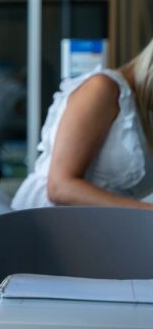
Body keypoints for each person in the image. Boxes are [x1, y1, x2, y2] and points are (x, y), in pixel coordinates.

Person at [11, 38, 153, 210]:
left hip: (97, 226)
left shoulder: (144, 110)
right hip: (48, 222)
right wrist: (146, 212)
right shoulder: (102, 88)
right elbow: (59, 187)